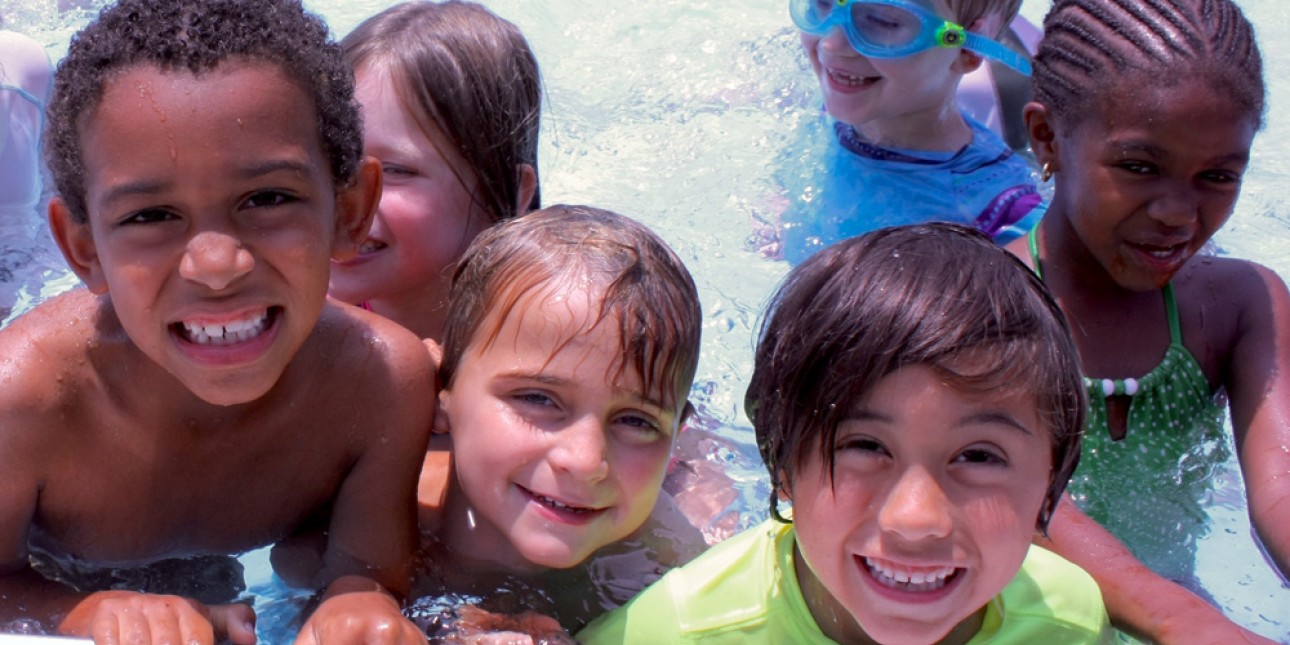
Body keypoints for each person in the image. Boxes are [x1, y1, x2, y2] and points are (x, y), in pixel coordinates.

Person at [0, 0, 437, 642]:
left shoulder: (379, 382)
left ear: (351, 211)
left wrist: (356, 604)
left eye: (267, 199)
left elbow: (368, 571)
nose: (216, 265)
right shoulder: (24, 402)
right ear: (83, 248)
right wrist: (80, 612)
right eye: (150, 215)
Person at [580, 223, 1109, 644]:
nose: (916, 520)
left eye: (977, 456)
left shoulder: (1069, 623)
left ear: (1052, 474)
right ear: (783, 467)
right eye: (865, 446)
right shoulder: (670, 634)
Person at [1005, 0, 1288, 641]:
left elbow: (1282, 480)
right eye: (1139, 167)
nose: (1177, 213)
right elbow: (1027, 506)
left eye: (1216, 176)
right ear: (1047, 139)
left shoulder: (1237, 306)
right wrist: (1184, 621)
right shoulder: (982, 306)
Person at [412, 204, 704, 638]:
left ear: (675, 436)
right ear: (439, 388)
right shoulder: (385, 521)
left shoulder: (665, 556)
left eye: (636, 421)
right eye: (537, 398)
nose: (586, 461)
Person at [329, 0, 541, 341]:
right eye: (330, 159)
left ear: (515, 193)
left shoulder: (543, 348)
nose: (341, 198)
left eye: (395, 170)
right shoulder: (294, 326)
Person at [774, 0, 1044, 264]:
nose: (831, 43)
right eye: (822, 4)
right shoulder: (835, 105)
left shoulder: (995, 214)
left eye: (882, 20)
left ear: (966, 48)